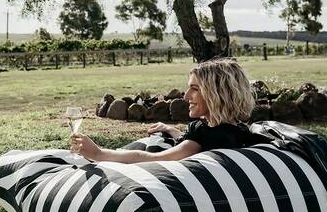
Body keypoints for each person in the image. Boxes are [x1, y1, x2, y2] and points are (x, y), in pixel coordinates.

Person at [70, 57, 258, 163]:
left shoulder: (209, 136)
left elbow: (154, 158)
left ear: (217, 95)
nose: (185, 97)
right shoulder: (239, 130)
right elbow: (190, 142)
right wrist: (169, 129)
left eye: (195, 89)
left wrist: (98, 153)